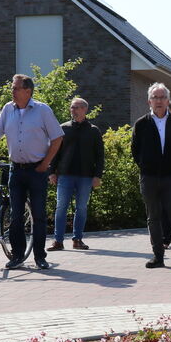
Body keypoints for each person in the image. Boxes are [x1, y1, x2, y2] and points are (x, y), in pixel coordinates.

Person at [0, 74, 64, 269]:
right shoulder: (7, 109)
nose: (12, 91)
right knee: (15, 216)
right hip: (16, 170)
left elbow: (57, 138)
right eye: (12, 88)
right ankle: (17, 256)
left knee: (38, 215)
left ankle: (40, 256)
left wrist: (45, 163)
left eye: (15, 88)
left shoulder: (42, 110)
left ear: (27, 91)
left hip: (37, 170)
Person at [130, 82, 171, 271]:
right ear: (149, 101)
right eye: (155, 97)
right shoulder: (141, 124)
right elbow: (135, 150)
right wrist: (146, 166)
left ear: (168, 100)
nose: (159, 101)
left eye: (162, 97)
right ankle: (158, 257)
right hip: (148, 178)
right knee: (153, 218)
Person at [48, 97, 103, 251]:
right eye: (72, 107)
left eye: (78, 107)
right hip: (65, 175)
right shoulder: (63, 128)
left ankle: (77, 239)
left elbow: (100, 155)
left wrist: (97, 176)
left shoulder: (93, 130)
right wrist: (52, 172)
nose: (74, 110)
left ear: (85, 110)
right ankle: (58, 241)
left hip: (86, 176)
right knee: (61, 207)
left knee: (81, 208)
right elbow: (54, 152)